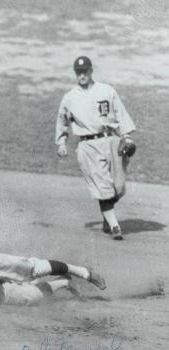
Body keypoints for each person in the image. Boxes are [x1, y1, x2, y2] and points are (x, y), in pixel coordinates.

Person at [55, 56, 136, 240]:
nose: (82, 75)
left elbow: (120, 114)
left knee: (119, 188)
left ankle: (108, 215)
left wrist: (127, 137)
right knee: (102, 187)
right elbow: (62, 121)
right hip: (88, 145)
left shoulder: (106, 90)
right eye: (78, 72)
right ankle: (115, 226)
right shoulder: (69, 98)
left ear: (91, 71)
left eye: (85, 71)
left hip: (111, 140)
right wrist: (61, 142)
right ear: (75, 74)